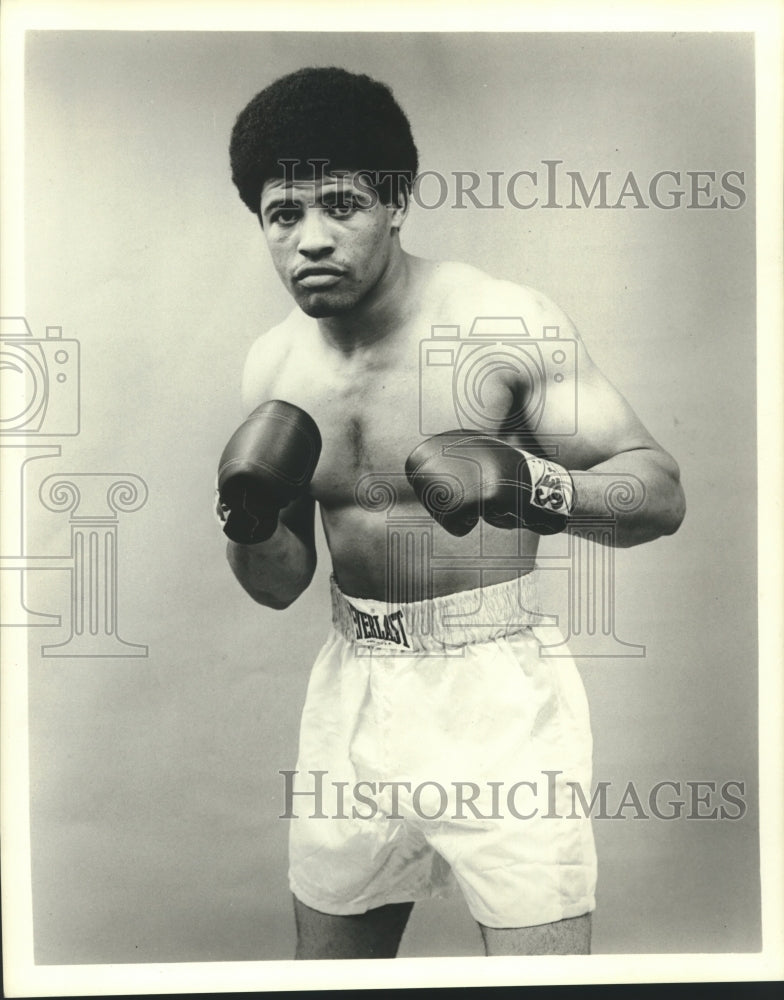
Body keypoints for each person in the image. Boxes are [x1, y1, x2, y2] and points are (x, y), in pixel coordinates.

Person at [217, 66, 686, 959]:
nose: (311, 239)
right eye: (285, 214)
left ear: (397, 201)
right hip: (352, 691)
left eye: (341, 205)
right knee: (329, 976)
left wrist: (532, 485)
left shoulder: (502, 322)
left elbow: (659, 492)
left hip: (497, 698)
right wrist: (245, 519)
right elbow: (281, 586)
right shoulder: (272, 366)